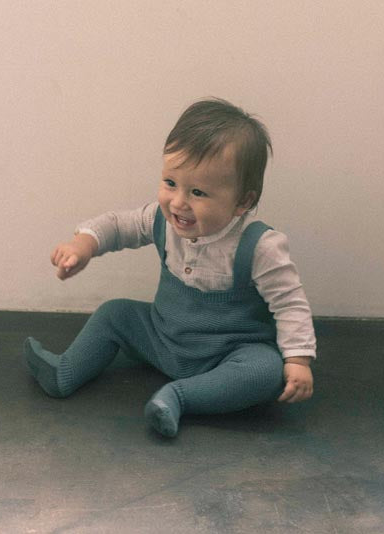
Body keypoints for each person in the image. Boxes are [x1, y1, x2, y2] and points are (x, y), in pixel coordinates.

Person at [25, 98, 316, 437]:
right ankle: (65, 371)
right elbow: (118, 225)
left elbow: (289, 304)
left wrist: (298, 360)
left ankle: (179, 397)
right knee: (114, 313)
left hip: (227, 355)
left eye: (198, 192)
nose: (178, 202)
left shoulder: (259, 246)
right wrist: (83, 245)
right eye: (170, 183)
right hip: (162, 338)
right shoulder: (162, 221)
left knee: (265, 371)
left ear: (242, 201)